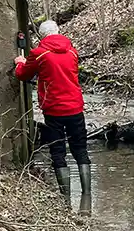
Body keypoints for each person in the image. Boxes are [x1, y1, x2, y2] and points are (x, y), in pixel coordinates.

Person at [14, 20, 91, 198]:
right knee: (80, 150)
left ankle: (66, 199)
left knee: (58, 152)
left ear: (41, 35)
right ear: (58, 31)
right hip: (75, 108)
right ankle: (87, 196)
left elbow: (23, 74)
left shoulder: (39, 54)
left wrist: (20, 62)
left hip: (54, 110)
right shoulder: (72, 51)